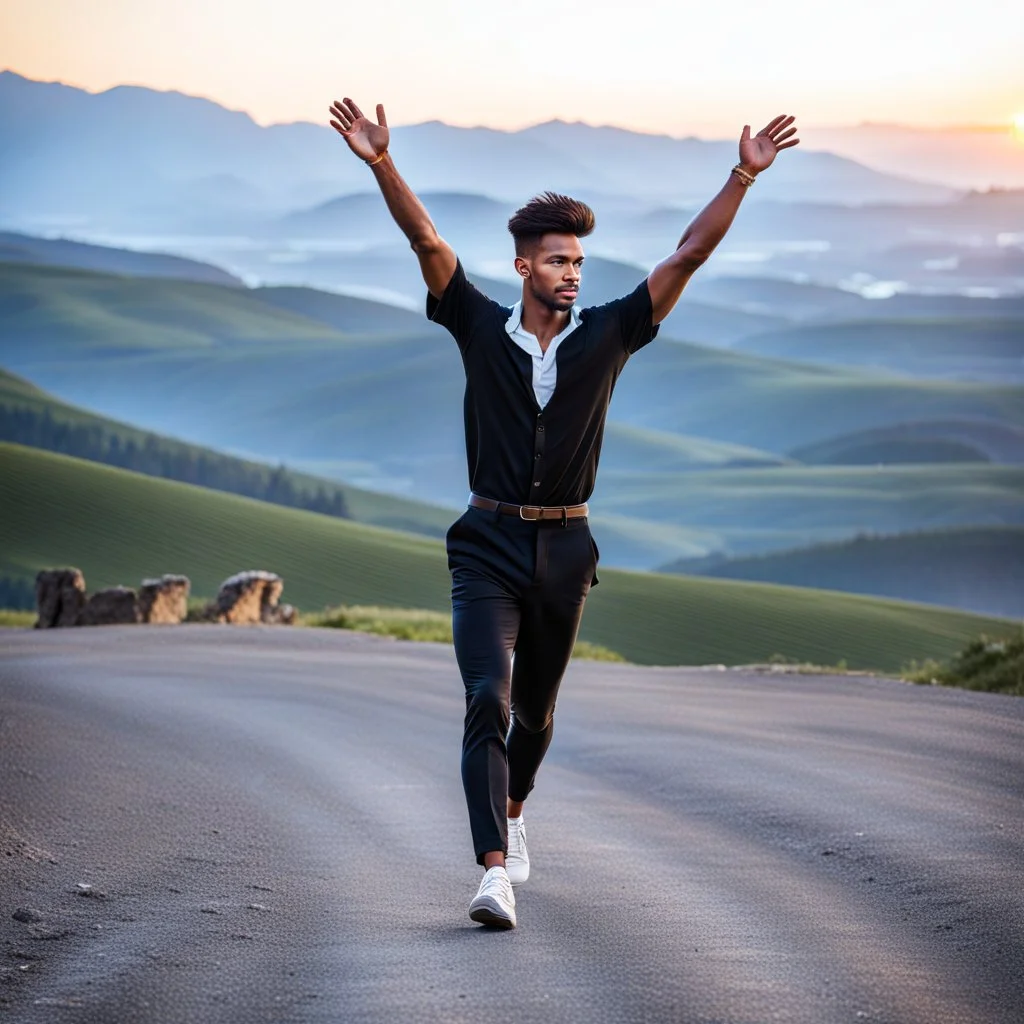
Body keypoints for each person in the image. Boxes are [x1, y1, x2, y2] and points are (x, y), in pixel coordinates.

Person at [328, 97, 799, 929]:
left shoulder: (609, 335)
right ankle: (493, 873)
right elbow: (428, 243)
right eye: (556, 261)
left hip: (567, 551)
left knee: (536, 714)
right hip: (485, 544)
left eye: (578, 260)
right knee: (488, 695)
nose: (572, 273)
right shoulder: (476, 326)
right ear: (524, 270)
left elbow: (688, 254)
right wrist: (379, 163)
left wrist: (741, 176)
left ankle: (514, 807)